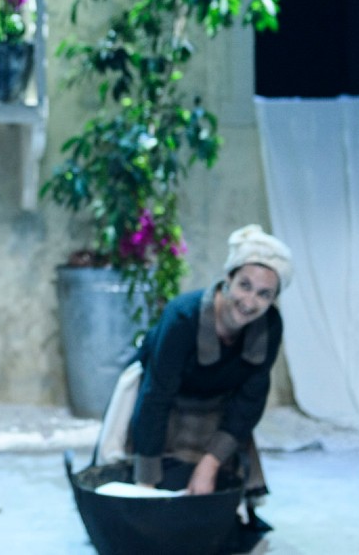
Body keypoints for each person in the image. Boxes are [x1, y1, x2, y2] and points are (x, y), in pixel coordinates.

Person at [125, 224, 291, 524]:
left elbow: (250, 400)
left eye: (264, 294)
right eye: (244, 285)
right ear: (227, 279)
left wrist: (210, 464)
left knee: (212, 506)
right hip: (162, 405)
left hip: (216, 406)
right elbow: (155, 396)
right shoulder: (182, 317)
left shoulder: (269, 326)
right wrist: (145, 485)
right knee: (153, 499)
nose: (250, 302)